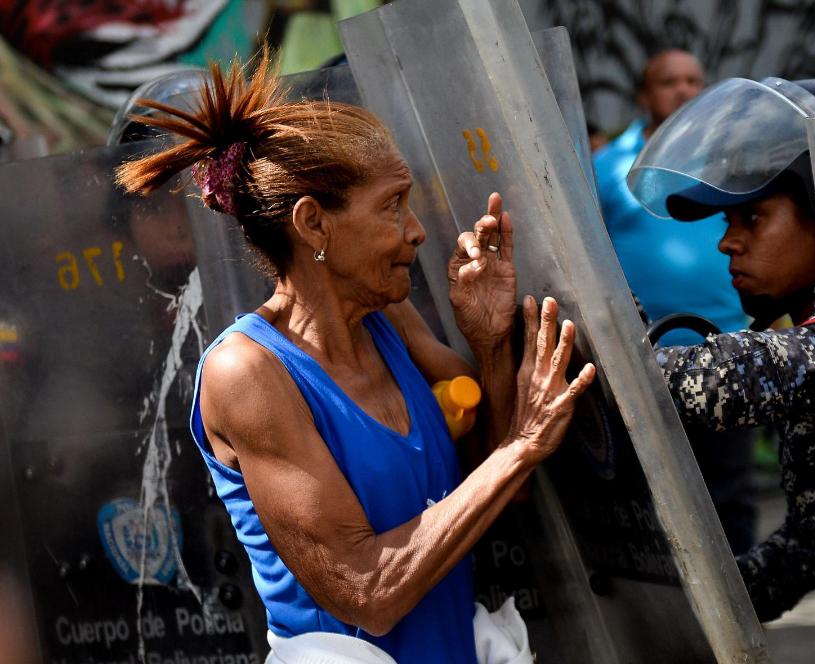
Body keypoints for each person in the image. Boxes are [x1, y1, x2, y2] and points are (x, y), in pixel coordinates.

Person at [115, 56, 596, 663]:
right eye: (393, 205)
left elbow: (493, 490)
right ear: (314, 223)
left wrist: (491, 342)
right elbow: (366, 591)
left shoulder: (388, 316)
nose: (417, 230)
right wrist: (523, 444)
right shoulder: (246, 373)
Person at [628, 76, 815, 662]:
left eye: (751, 219)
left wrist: (593, 335)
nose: (728, 244)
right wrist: (706, 601)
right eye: (728, 223)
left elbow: (703, 385)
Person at [593, 49, 749, 346]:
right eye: (669, 82)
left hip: (729, 340)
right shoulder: (607, 165)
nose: (683, 90)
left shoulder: (729, 161)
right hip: (639, 344)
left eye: (693, 81)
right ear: (644, 96)